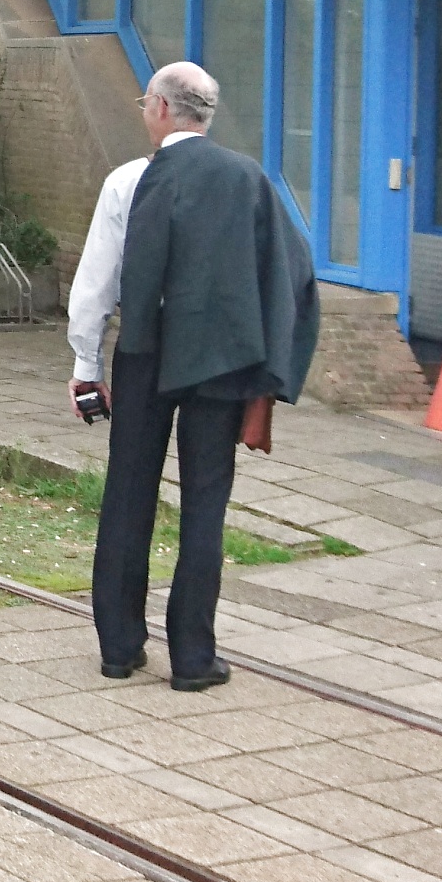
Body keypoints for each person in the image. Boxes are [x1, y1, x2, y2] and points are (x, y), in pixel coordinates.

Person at [68, 60, 319, 691]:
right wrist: (270, 378)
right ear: (204, 115)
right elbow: (289, 277)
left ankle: (120, 647)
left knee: (129, 495)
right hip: (221, 361)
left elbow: (97, 282)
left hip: (147, 354)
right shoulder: (250, 180)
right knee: (205, 504)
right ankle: (194, 658)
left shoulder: (130, 181)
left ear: (158, 109)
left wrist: (86, 364)